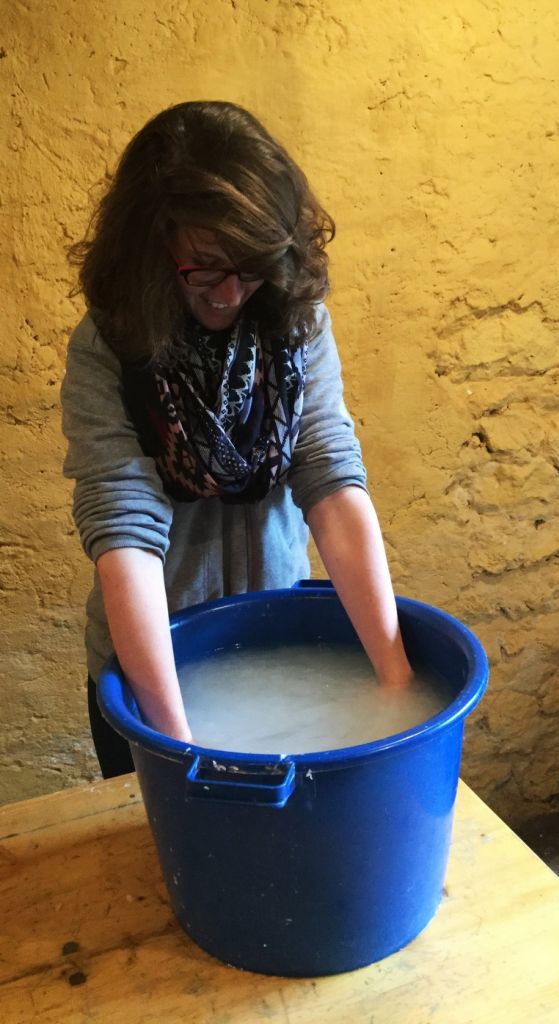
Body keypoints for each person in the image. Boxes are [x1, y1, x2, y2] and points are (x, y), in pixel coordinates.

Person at [61, 100, 412, 778]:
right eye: (204, 265)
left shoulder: (296, 322)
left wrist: (397, 685)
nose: (229, 293)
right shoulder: (109, 346)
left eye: (251, 266)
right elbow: (124, 530)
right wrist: (178, 747)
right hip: (154, 666)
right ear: (152, 244)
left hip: (277, 644)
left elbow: (331, 482)